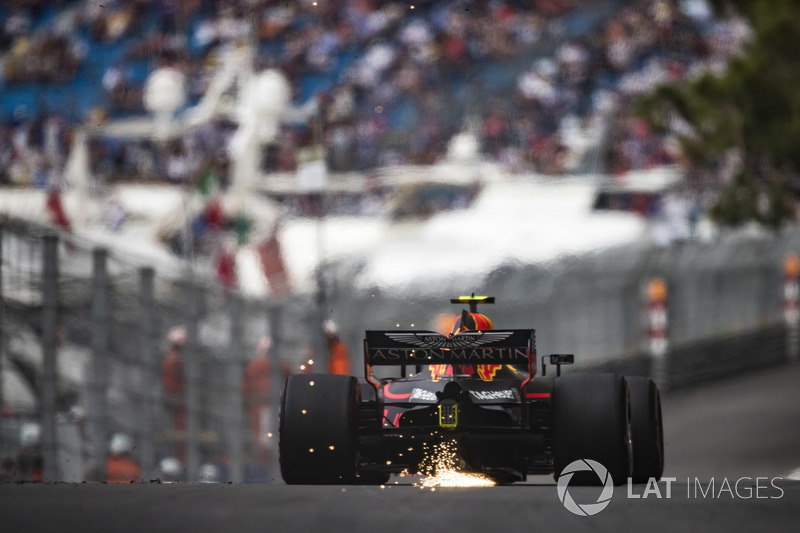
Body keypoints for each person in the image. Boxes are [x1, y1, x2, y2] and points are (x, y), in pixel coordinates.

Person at [161, 326, 187, 462]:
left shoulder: (170, 357)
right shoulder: (174, 359)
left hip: (173, 398)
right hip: (175, 398)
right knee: (179, 432)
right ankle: (180, 459)